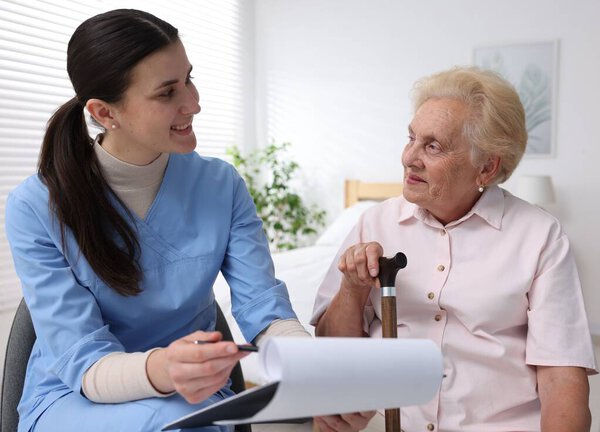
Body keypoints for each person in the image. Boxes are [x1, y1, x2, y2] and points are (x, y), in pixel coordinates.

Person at [4, 9, 310, 432]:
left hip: (195, 396)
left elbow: (263, 306)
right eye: (168, 92)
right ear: (105, 112)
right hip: (74, 399)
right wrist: (162, 369)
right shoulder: (36, 207)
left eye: (189, 78)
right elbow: (83, 361)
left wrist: (313, 373)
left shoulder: (220, 185)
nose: (194, 103)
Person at [310, 66, 597, 432]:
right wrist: (351, 289)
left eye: (433, 146)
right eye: (410, 137)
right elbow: (332, 351)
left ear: (486, 168)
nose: (409, 158)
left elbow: (561, 377)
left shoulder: (540, 236)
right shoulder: (374, 223)